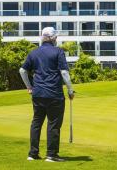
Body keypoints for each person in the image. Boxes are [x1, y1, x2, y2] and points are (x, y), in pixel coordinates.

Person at [19, 27, 74, 162]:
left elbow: (22, 70)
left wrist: (29, 87)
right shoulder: (58, 51)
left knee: (36, 122)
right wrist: (70, 90)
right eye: (56, 37)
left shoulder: (34, 52)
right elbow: (64, 73)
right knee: (53, 124)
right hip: (54, 94)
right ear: (53, 38)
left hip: (37, 93)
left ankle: (32, 154)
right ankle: (51, 155)